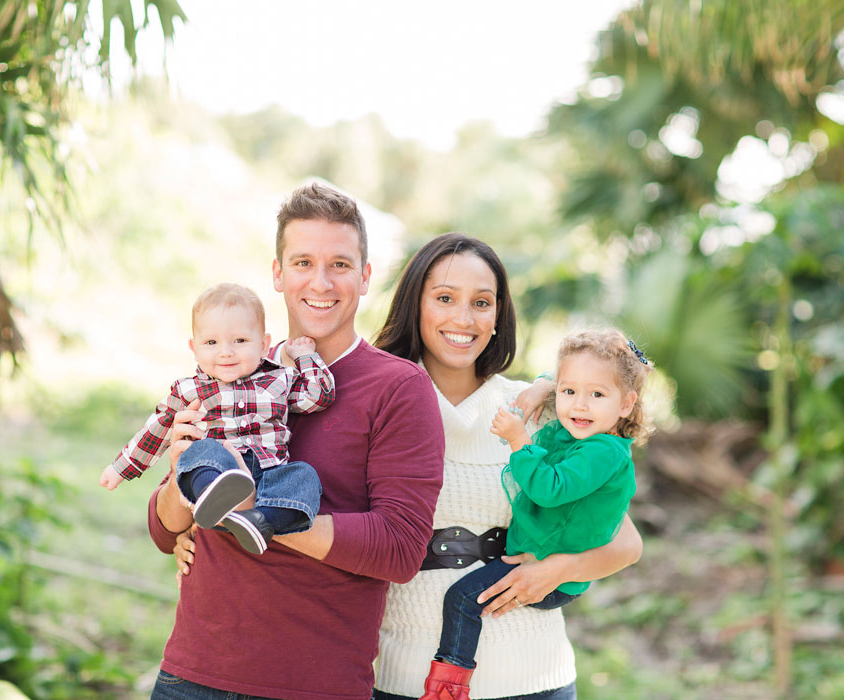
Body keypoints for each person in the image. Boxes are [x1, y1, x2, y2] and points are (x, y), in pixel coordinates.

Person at [148, 183, 445, 699]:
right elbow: (162, 528)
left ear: (365, 276)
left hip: (315, 685)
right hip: (192, 675)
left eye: (341, 264)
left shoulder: (398, 388)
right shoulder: (228, 369)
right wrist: (186, 484)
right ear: (278, 273)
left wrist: (247, 515)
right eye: (303, 262)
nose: (321, 282)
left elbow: (399, 549)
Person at [368, 233, 642, 700]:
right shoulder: (379, 401)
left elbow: (627, 542)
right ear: (416, 304)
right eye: (445, 298)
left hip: (532, 676)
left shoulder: (538, 412)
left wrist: (557, 572)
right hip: (404, 677)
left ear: (498, 316)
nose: (463, 317)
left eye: (481, 302)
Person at [416, 327, 653, 699]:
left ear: (626, 404)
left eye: (597, 395)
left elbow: (549, 487)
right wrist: (545, 384)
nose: (579, 405)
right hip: (539, 556)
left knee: (462, 600)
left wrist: (518, 440)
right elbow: (566, 382)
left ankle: (447, 687)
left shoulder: (602, 452)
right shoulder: (580, 433)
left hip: (551, 575)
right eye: (569, 392)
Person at [100, 283, 335, 554]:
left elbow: (319, 396)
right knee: (200, 451)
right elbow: (156, 431)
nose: (226, 352)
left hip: (268, 475)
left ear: (264, 344)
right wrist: (121, 468)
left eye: (240, 341)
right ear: (194, 347)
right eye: (211, 343)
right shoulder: (190, 390)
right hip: (217, 468)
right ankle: (215, 494)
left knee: (304, 477)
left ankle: (260, 522)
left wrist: (306, 357)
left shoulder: (279, 380)